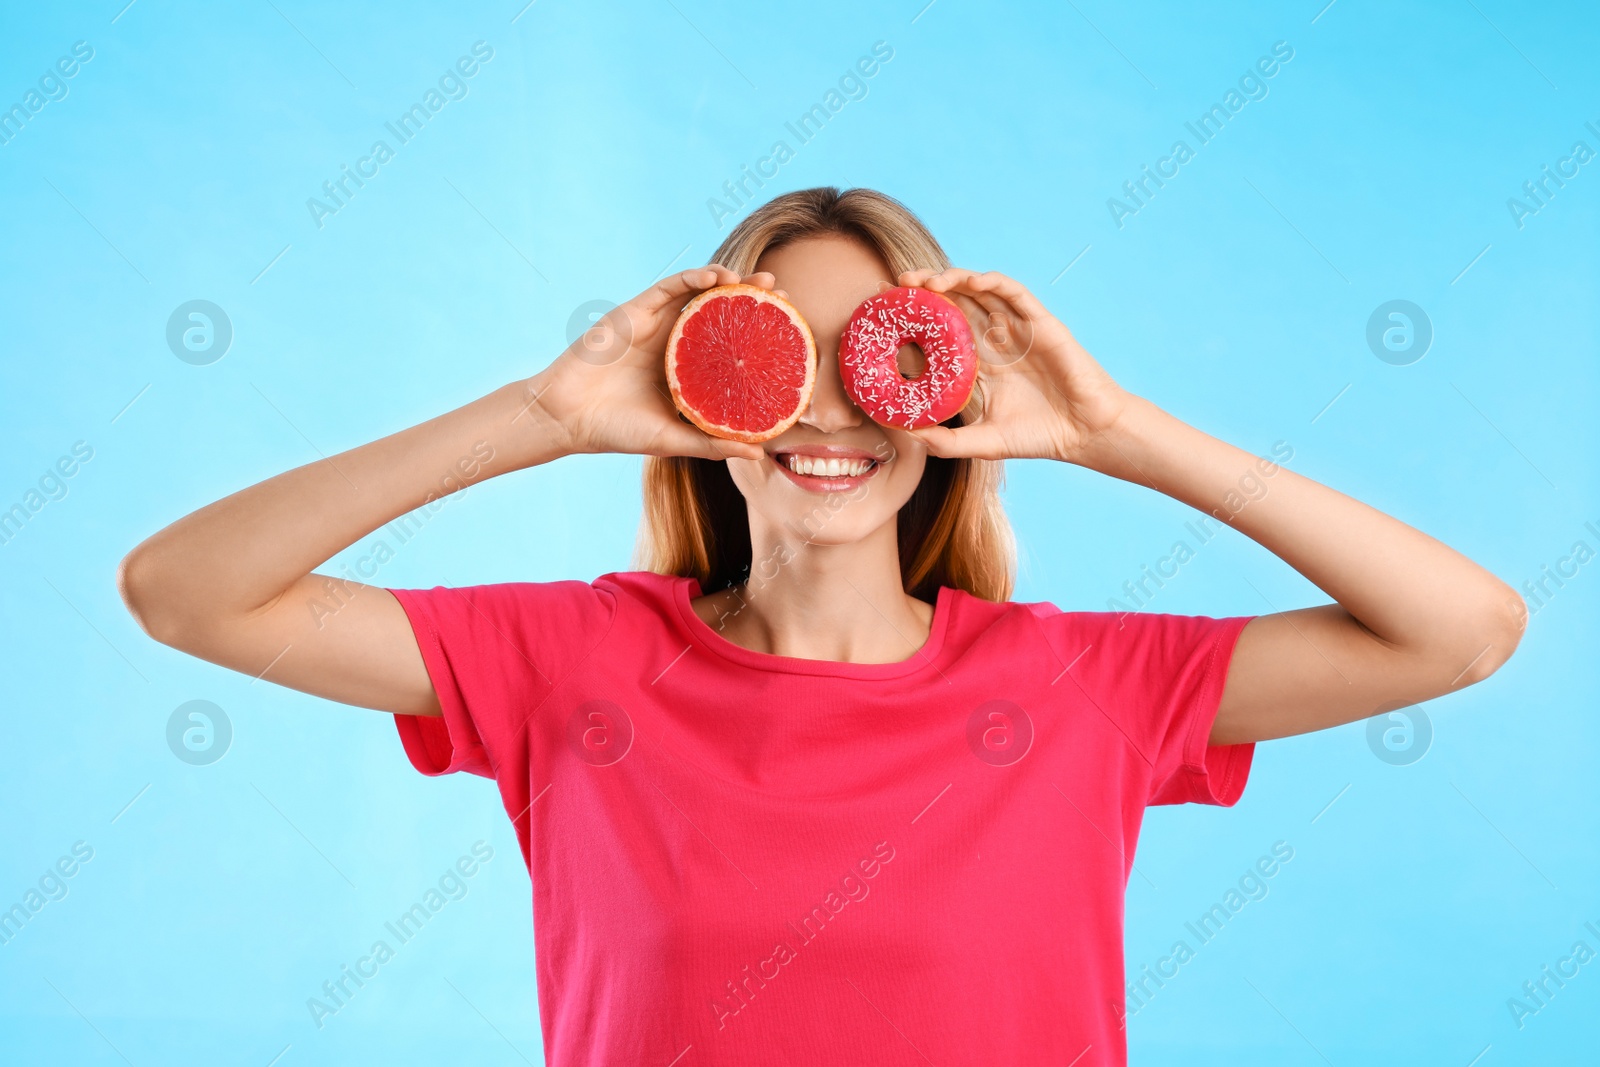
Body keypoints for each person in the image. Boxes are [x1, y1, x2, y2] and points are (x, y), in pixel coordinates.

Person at [117, 187, 1523, 1065]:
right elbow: (186, 590)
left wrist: (1119, 433)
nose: (832, 413)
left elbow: (1461, 630)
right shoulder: (573, 665)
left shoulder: (1081, 684)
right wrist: (539, 421)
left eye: (888, 359)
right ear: (697, 384)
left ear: (951, 395)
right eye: (779, 351)